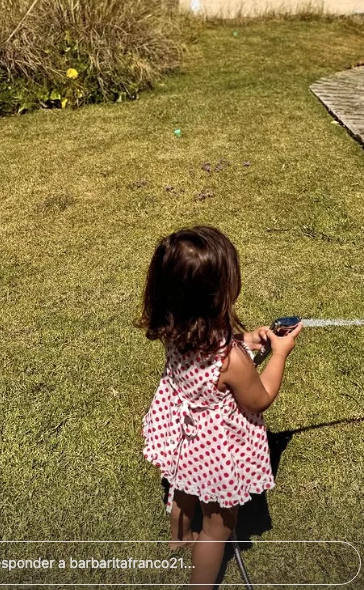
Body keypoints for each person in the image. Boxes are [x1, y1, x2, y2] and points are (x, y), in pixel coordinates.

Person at [139, 226, 303, 590]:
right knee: (218, 527)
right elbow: (260, 398)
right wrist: (278, 354)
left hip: (181, 432)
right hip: (215, 448)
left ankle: (179, 539)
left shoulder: (173, 327)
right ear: (216, 295)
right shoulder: (230, 360)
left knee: (182, 489)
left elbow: (211, 345)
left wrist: (247, 339)